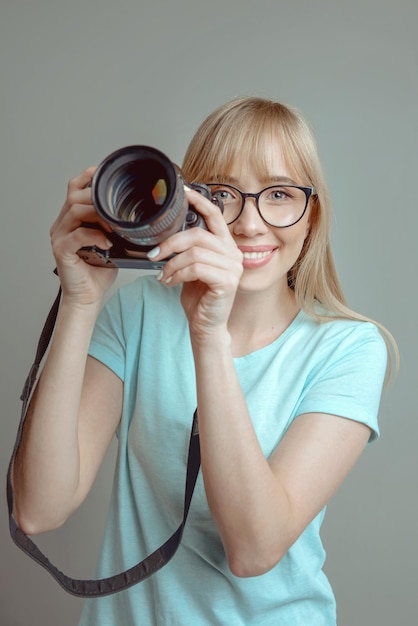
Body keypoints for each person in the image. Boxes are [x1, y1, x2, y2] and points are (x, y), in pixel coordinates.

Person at [12, 97, 398, 625]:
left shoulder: (350, 349)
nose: (248, 225)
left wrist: (208, 333)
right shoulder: (137, 311)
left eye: (280, 194)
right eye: (222, 195)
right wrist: (80, 302)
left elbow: (253, 549)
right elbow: (38, 509)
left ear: (313, 216)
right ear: (186, 204)